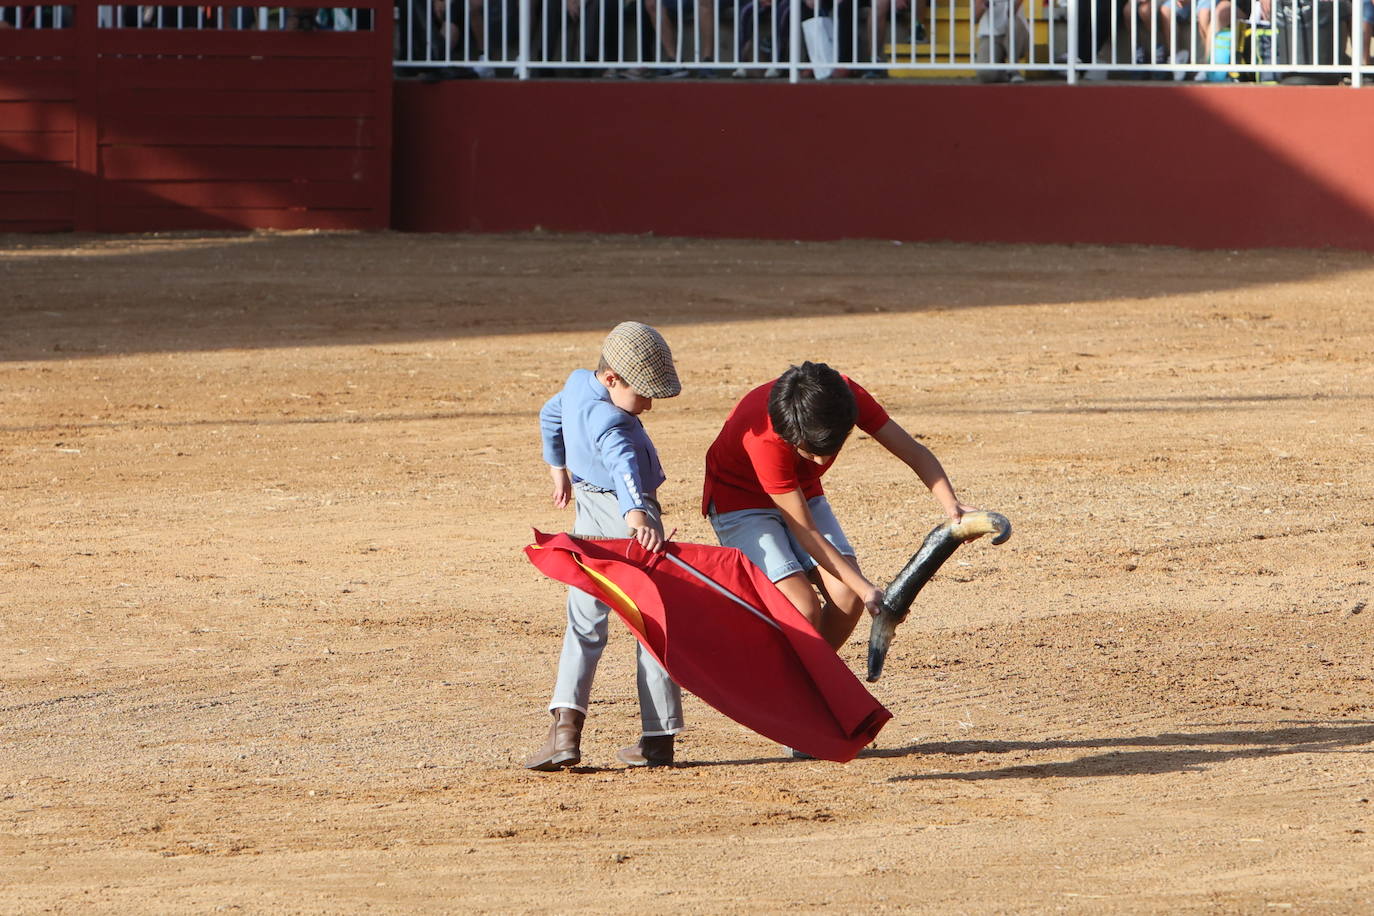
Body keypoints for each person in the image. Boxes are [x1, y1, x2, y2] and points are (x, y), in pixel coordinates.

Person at [702, 361, 976, 654]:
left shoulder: (842, 397)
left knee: (848, 599)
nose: (821, 462)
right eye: (810, 452)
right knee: (801, 608)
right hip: (741, 500)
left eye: (831, 448)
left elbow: (913, 451)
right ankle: (774, 675)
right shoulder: (765, 437)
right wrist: (868, 589)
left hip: (802, 491)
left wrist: (952, 504)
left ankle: (811, 672)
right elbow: (807, 532)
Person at [524, 321, 685, 771]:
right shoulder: (613, 421)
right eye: (644, 394)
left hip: (588, 518)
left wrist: (557, 467)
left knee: (584, 622)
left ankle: (565, 733)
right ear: (612, 379)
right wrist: (637, 516)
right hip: (629, 522)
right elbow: (624, 466)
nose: (648, 405)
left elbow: (550, 414)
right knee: (651, 625)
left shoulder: (578, 384)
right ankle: (658, 740)